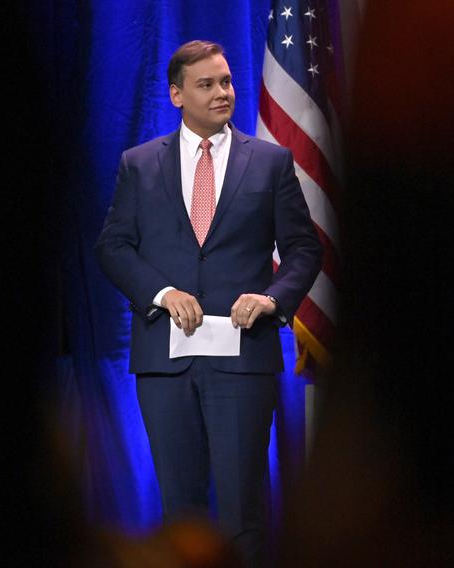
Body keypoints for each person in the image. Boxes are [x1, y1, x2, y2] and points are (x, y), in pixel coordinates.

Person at [95, 40, 322, 567]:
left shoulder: (270, 161)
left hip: (242, 363)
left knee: (243, 512)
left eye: (226, 82)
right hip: (164, 364)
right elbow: (113, 246)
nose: (223, 93)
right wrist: (161, 292)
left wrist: (271, 298)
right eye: (207, 84)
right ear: (176, 94)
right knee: (182, 516)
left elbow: (304, 248)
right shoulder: (139, 164)